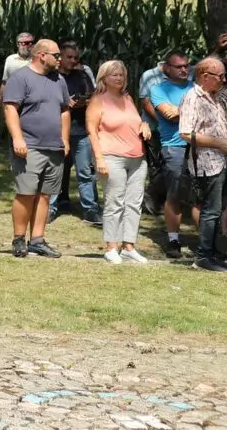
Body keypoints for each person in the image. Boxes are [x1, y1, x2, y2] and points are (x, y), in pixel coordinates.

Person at [3, 39, 70, 258]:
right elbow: (10, 109)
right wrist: (17, 139)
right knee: (26, 193)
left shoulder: (59, 80)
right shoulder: (20, 78)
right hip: (30, 146)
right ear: (42, 55)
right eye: (56, 55)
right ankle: (19, 238)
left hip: (54, 147)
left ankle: (38, 240)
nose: (60, 59)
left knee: (45, 195)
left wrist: (65, 139)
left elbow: (64, 110)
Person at [88, 60, 151, 264]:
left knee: (134, 203)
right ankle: (111, 247)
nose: (119, 78)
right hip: (111, 157)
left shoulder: (128, 97)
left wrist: (144, 125)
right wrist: (99, 159)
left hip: (137, 158)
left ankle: (129, 246)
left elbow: (133, 121)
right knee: (114, 202)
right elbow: (92, 132)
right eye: (114, 74)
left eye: (121, 74)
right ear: (103, 78)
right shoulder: (98, 100)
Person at [142, 50, 194, 258]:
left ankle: (207, 242)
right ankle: (173, 239)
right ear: (167, 68)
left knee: (199, 197)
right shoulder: (158, 89)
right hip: (174, 147)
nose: (184, 70)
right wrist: (193, 110)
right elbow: (170, 116)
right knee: (175, 194)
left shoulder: (196, 87)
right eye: (178, 66)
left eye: (186, 66)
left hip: (199, 147)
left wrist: (180, 110)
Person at [179, 55, 227, 271]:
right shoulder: (193, 98)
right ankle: (203, 256)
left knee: (218, 210)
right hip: (208, 163)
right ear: (205, 76)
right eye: (220, 76)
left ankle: (215, 253)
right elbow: (185, 132)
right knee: (211, 210)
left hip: (221, 161)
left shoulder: (213, 96)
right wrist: (218, 143)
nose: (223, 80)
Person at [56, 41, 100, 224]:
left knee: (85, 172)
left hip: (81, 130)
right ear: (60, 56)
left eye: (75, 58)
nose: (73, 61)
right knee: (56, 171)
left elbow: (94, 97)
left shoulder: (82, 75)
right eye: (69, 57)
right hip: (57, 131)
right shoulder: (51, 76)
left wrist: (84, 102)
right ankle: (51, 207)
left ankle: (90, 209)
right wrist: (65, 102)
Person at [0, 32, 36, 110]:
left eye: (31, 42)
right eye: (26, 43)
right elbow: (5, 83)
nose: (29, 45)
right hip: (14, 102)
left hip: (32, 103)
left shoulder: (37, 59)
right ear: (18, 44)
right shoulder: (10, 59)